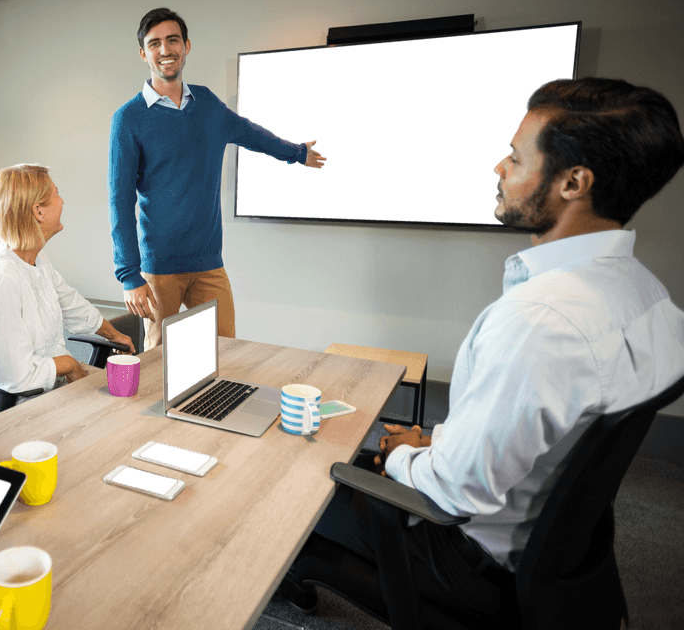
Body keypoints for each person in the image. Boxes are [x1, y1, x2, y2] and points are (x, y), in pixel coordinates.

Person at [282, 77, 684, 618]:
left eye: (516, 158)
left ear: (573, 182)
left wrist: (398, 454)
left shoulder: (540, 320)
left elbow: (452, 493)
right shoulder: (650, 296)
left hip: (463, 554)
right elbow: (538, 429)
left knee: (293, 479)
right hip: (555, 553)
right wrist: (436, 440)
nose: (499, 167)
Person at [109, 7, 327, 350]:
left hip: (208, 262)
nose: (165, 50)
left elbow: (252, 134)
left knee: (225, 355)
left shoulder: (207, 104)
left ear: (186, 46)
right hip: (158, 267)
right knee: (158, 366)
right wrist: (129, 275)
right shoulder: (129, 119)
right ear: (143, 53)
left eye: (172, 40)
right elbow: (120, 202)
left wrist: (296, 153)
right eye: (155, 44)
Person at [0, 164, 135, 417]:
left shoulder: (36, 258)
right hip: (20, 406)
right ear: (38, 211)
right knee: (119, 418)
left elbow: (70, 302)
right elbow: (15, 377)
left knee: (133, 403)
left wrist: (114, 335)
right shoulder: (2, 279)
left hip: (53, 385)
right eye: (56, 194)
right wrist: (69, 364)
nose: (62, 200)